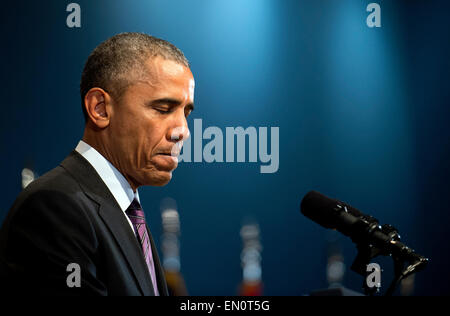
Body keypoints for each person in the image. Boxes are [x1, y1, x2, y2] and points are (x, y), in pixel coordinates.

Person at [0, 32, 194, 295]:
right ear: (100, 108)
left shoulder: (126, 212)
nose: (182, 130)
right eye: (163, 109)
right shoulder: (55, 209)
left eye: (186, 112)